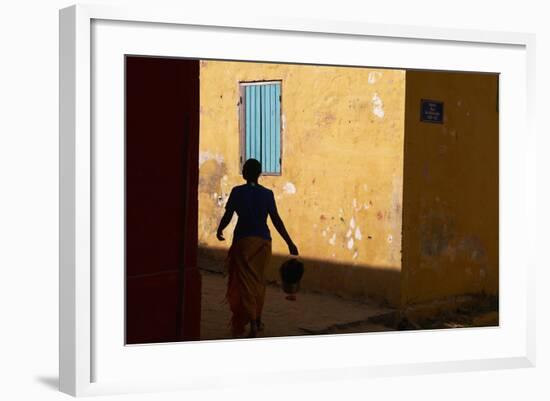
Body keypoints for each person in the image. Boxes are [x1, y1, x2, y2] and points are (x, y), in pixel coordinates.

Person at [216, 158, 299, 338]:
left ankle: (253, 323)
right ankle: (258, 320)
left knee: (245, 283)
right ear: (259, 173)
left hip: (244, 242)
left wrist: (220, 229)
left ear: (245, 173)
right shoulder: (267, 194)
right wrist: (289, 242)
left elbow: (228, 214)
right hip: (263, 243)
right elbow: (276, 220)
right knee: (259, 282)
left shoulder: (237, 192)